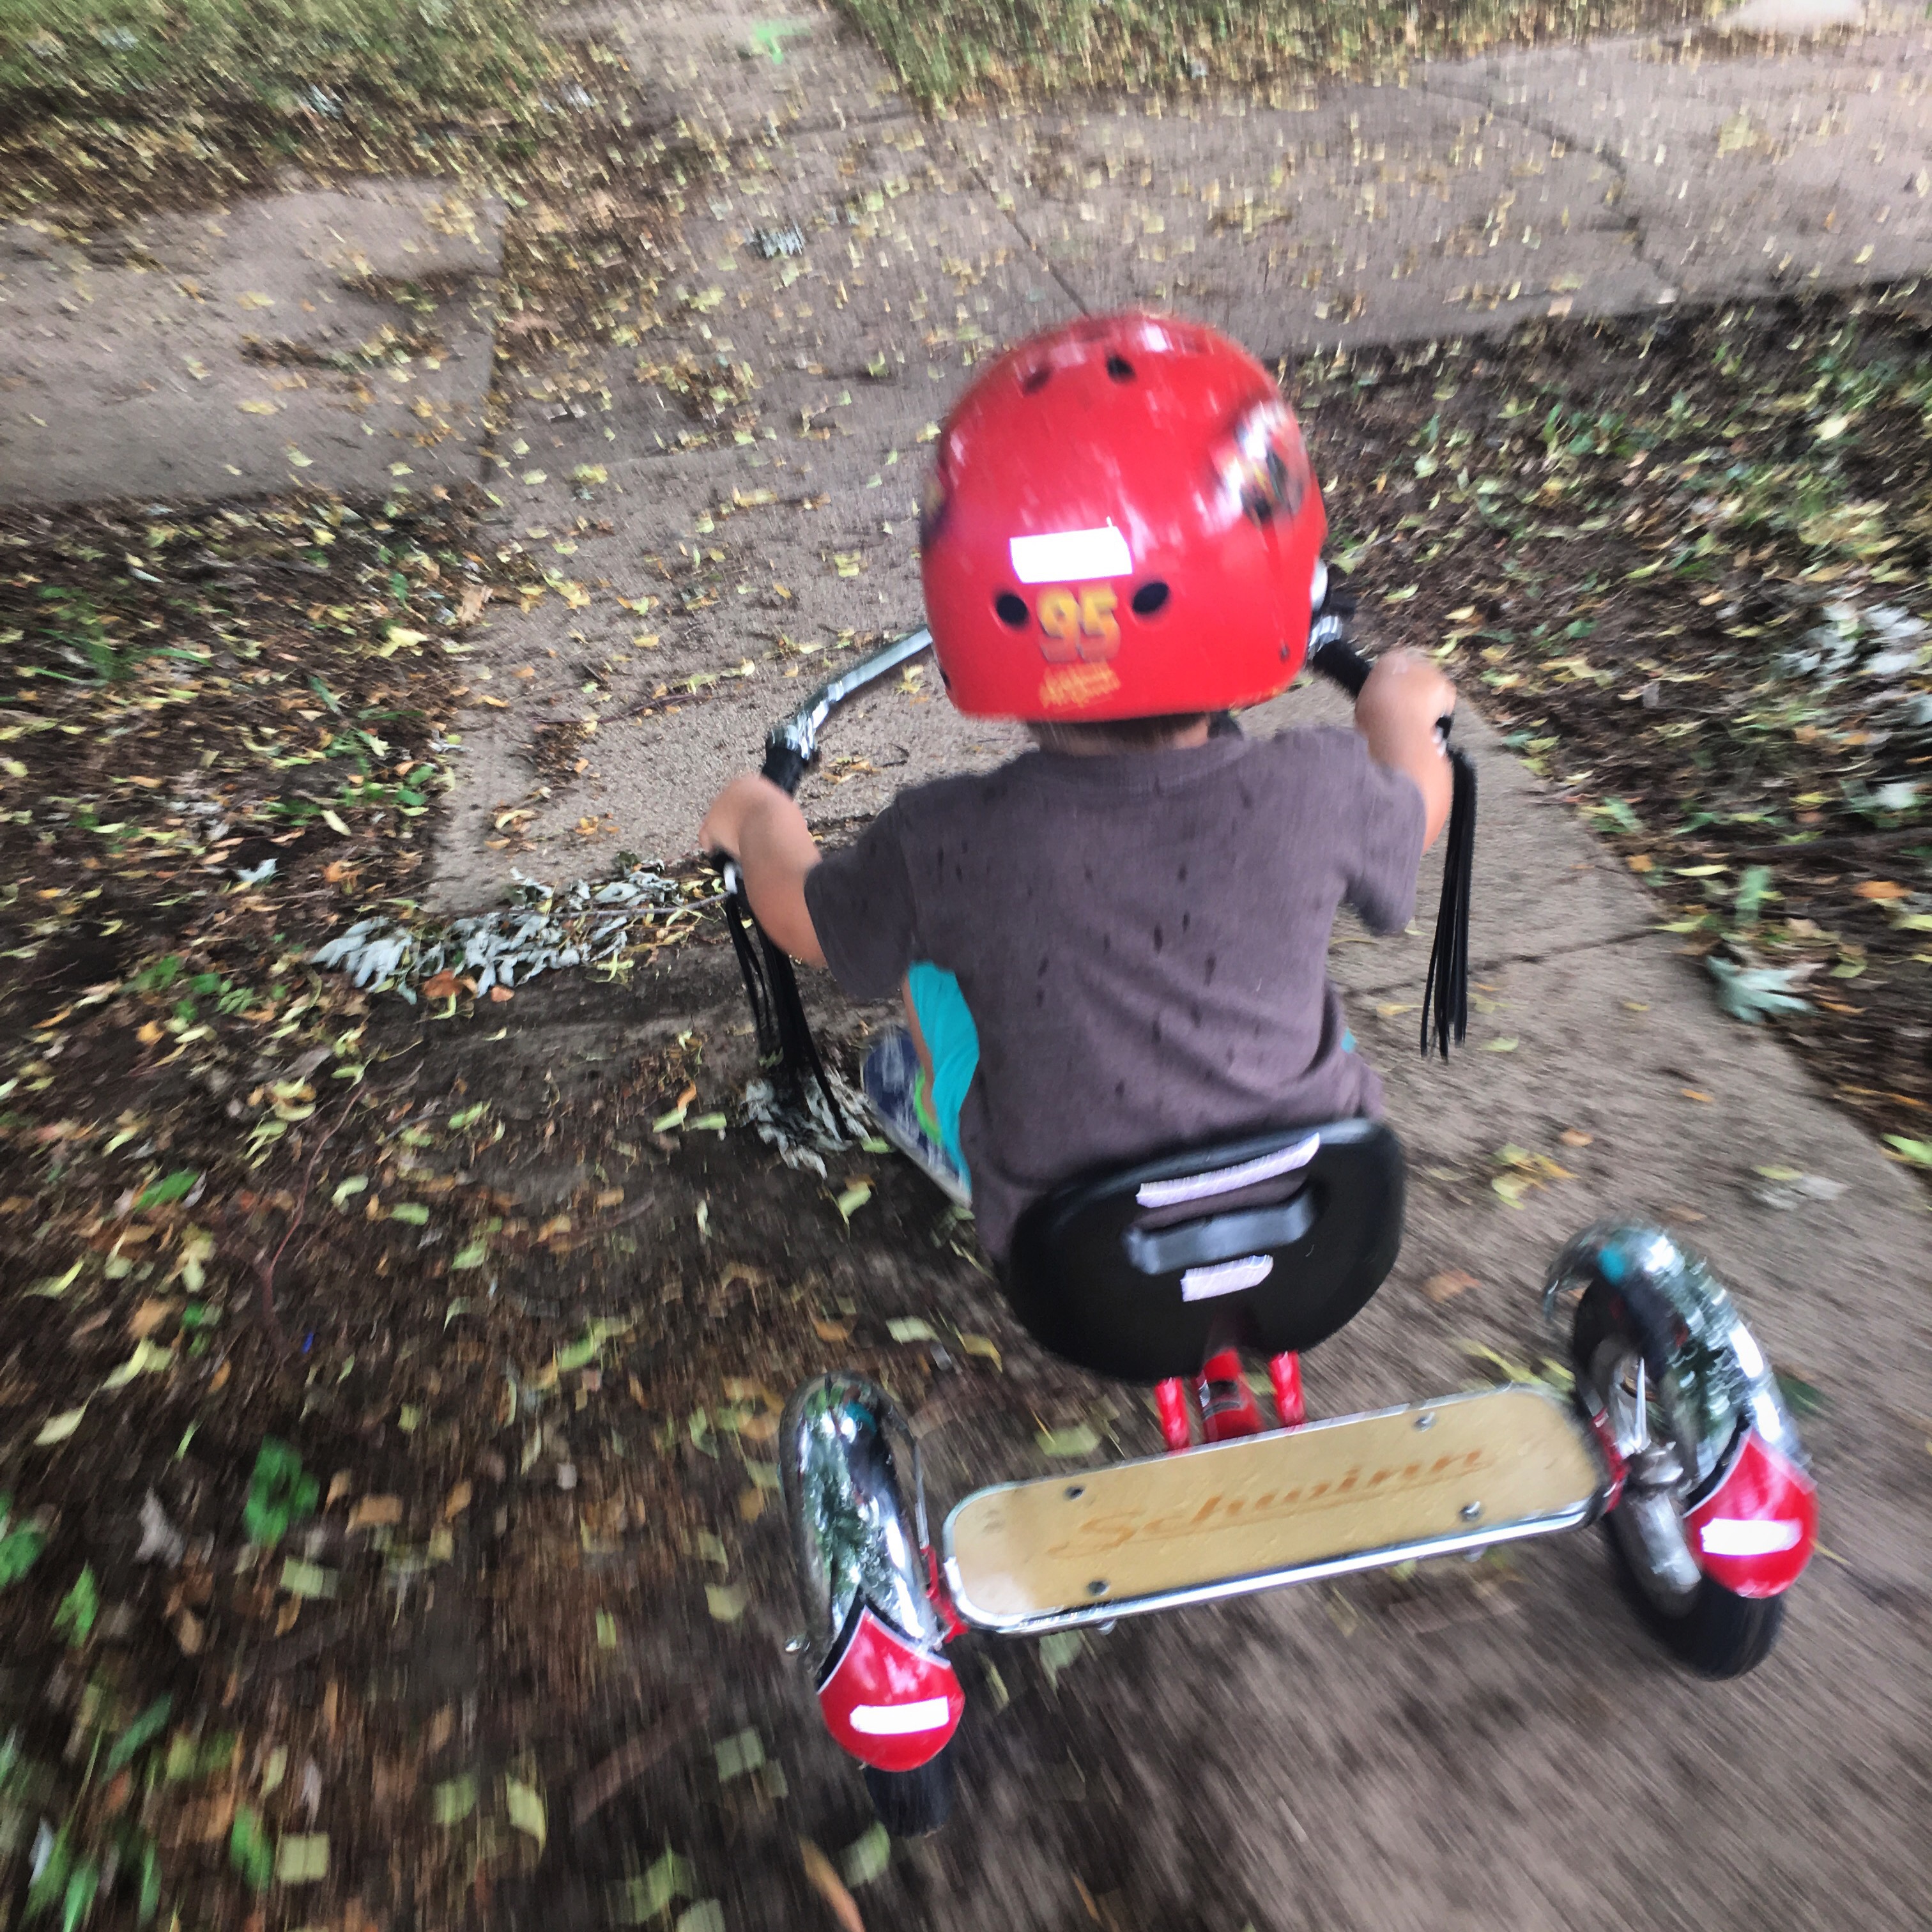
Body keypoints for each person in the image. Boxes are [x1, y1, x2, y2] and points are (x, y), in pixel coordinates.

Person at [699, 312, 1456, 1263]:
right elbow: (1416, 811)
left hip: (1075, 1260)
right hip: (1327, 1222)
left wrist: (757, 816)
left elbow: (804, 921)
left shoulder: (943, 846)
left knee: (927, 962)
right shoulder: (1319, 786)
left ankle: (939, 1124)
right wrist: (1399, 710)